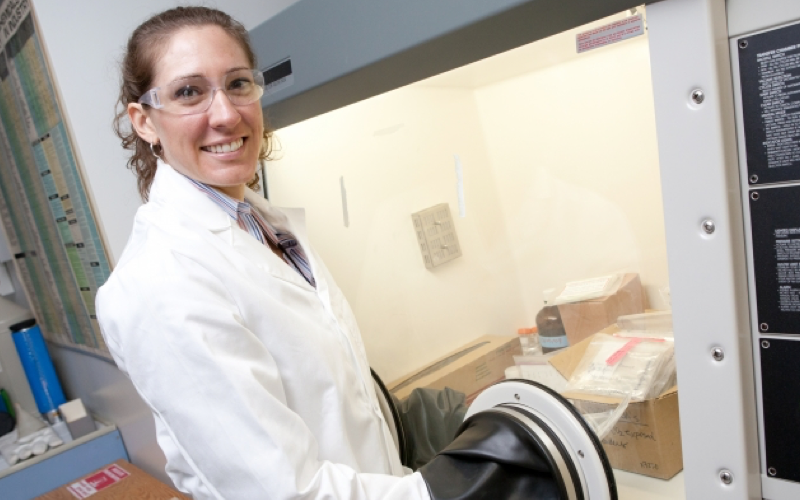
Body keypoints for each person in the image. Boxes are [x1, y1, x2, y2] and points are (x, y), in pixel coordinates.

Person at [97, 6, 431, 499]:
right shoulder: (158, 283)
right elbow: (282, 491)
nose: (226, 114)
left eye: (237, 84)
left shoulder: (263, 225)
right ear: (144, 121)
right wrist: (442, 490)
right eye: (189, 92)